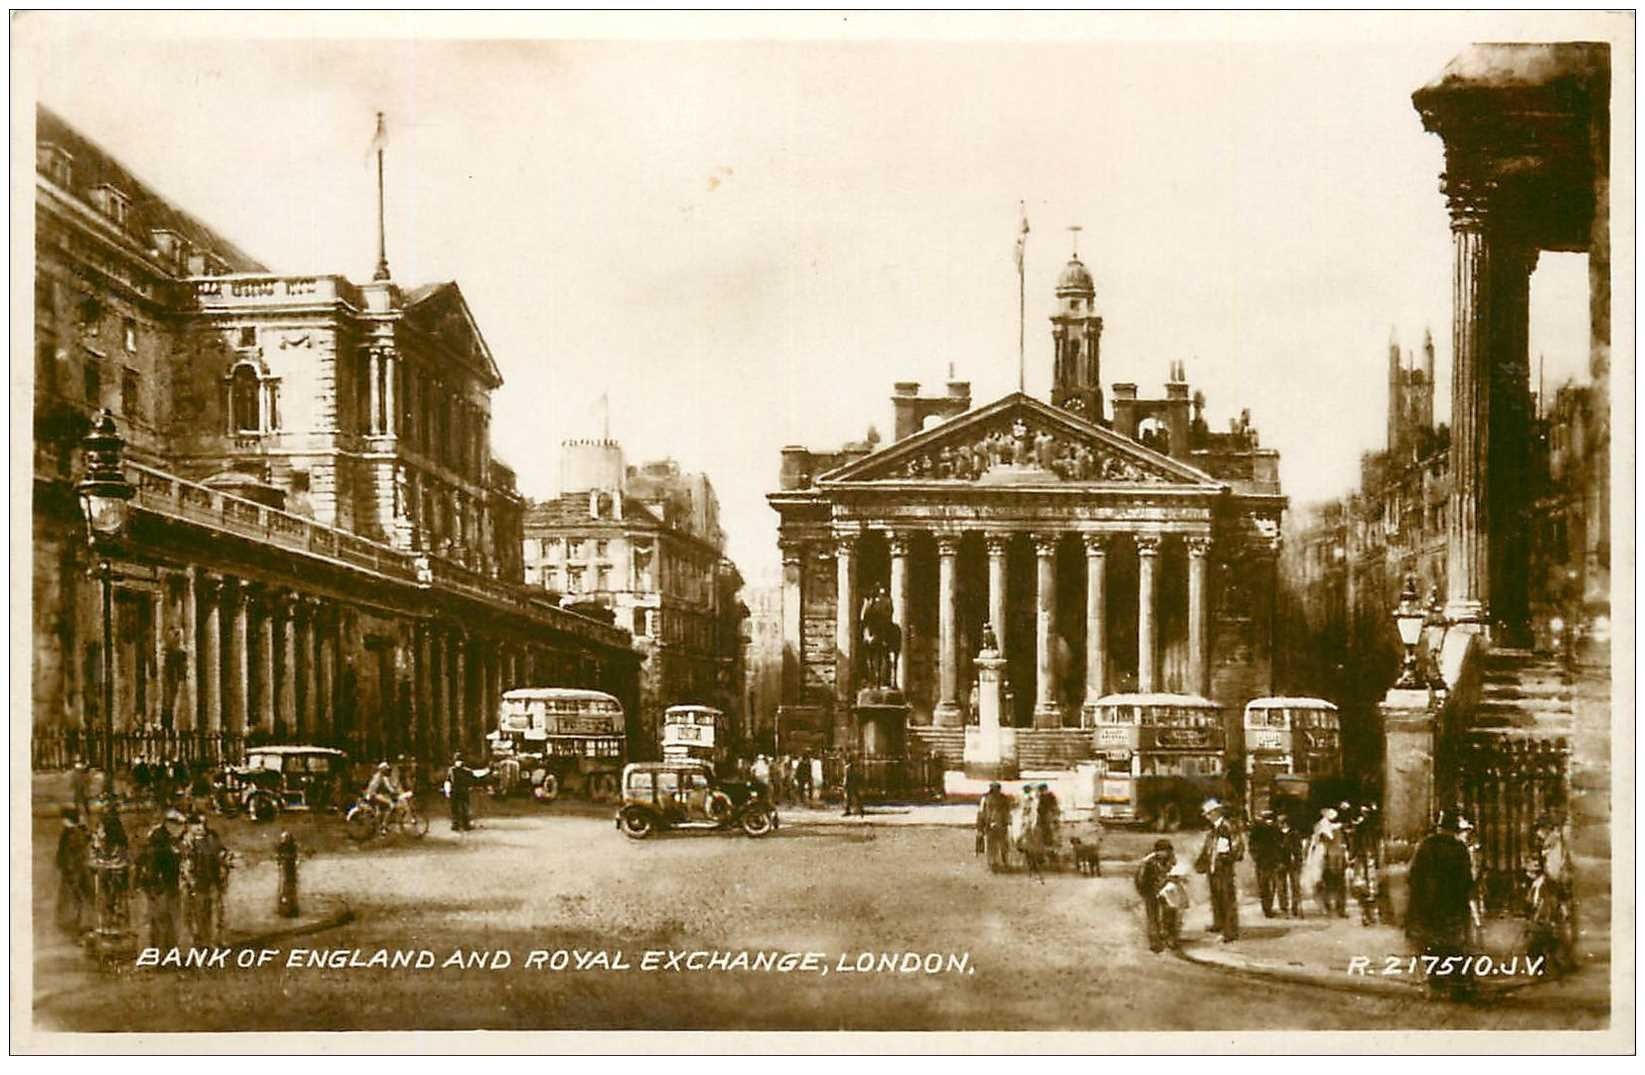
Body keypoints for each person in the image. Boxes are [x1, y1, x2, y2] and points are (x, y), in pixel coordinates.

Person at [1405, 810, 1477, 999]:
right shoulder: (1459, 848)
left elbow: (1413, 876)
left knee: (1431, 942)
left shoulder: (1425, 845)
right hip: (1452, 903)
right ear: (1454, 829)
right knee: (1454, 943)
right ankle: (1458, 984)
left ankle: (1436, 981)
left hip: (1428, 904)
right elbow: (1466, 880)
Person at [136, 812, 183, 951]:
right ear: (170, 824)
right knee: (162, 920)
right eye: (178, 825)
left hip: (161, 886)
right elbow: (154, 867)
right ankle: (164, 952)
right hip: (161, 887)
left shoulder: (163, 839)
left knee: (163, 920)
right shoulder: (161, 843)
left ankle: (164, 951)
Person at [181, 812, 229, 946]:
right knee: (198, 913)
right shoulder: (187, 841)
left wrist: (223, 864)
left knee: (215, 912)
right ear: (190, 826)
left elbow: (221, 853)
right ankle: (200, 941)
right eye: (197, 824)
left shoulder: (212, 838)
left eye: (203, 823)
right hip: (196, 883)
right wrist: (190, 880)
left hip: (213, 880)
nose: (201, 827)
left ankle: (215, 941)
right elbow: (185, 864)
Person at [1196, 798, 1241, 941]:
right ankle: (1219, 923)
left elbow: (1237, 846)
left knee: (1227, 898)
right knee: (1216, 897)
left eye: (1208, 814)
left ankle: (1230, 931)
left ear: (1215, 813)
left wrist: (1228, 857)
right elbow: (1208, 847)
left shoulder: (1227, 827)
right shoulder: (1214, 829)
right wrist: (1201, 862)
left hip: (1224, 868)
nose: (1207, 817)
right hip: (1214, 868)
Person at [1135, 838, 1177, 953]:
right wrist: (1144, 892)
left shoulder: (1172, 860)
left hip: (1166, 890)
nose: (1166, 854)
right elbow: (1140, 879)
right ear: (1157, 851)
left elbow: (1175, 873)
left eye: (1168, 852)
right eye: (1163, 851)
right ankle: (1155, 941)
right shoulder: (1148, 862)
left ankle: (1170, 937)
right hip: (1150, 890)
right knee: (1153, 916)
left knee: (1170, 913)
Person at [55, 806, 91, 935]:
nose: (62, 821)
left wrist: (68, 868)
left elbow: (71, 854)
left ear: (67, 819)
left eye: (64, 819)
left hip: (74, 871)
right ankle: (77, 922)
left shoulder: (73, 834)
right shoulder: (74, 832)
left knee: (76, 896)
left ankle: (78, 924)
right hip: (74, 869)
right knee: (76, 897)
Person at [1312, 807, 1350, 918]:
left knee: (1336, 885)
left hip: (1335, 860)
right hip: (1329, 860)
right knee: (1331, 885)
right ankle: (1332, 907)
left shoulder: (1333, 829)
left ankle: (1336, 907)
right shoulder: (1323, 830)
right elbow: (1318, 845)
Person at [1248, 810, 1283, 917]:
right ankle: (1267, 908)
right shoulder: (1257, 830)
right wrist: (1256, 856)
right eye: (1267, 819)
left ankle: (1268, 907)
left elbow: (1280, 846)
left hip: (1271, 861)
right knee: (1265, 886)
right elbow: (1252, 845)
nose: (1269, 821)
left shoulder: (1276, 830)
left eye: (1271, 819)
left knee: (1269, 886)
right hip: (1262, 862)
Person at [446, 753, 490, 832]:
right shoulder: (455, 770)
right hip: (458, 791)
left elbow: (475, 776)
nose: (458, 762)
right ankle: (459, 824)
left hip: (460, 791)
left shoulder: (458, 770)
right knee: (457, 808)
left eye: (460, 761)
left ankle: (463, 824)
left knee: (463, 808)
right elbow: (448, 780)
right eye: (457, 760)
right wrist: (447, 790)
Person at [975, 781, 1013, 872]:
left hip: (1000, 824)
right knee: (993, 844)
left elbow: (1007, 811)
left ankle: (1002, 861)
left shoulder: (1002, 799)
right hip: (991, 823)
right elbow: (981, 813)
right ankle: (994, 862)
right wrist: (980, 826)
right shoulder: (987, 799)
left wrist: (1007, 821)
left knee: (1001, 844)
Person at [1276, 812, 1306, 918]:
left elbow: (1298, 848)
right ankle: (1284, 907)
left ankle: (1295, 906)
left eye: (1280, 822)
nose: (1279, 824)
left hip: (1293, 862)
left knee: (1295, 885)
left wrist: (1298, 859)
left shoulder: (1294, 833)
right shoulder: (1276, 834)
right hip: (1281, 862)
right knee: (1281, 885)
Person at [1015, 784, 1046, 881]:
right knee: (1029, 848)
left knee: (1032, 848)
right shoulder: (1028, 804)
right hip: (1029, 828)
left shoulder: (1033, 804)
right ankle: (1032, 866)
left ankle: (1034, 865)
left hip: (1032, 828)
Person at [364, 761, 402, 833]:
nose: (387, 771)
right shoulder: (381, 777)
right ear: (382, 770)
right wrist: (394, 792)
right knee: (390, 805)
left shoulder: (377, 775)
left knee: (384, 803)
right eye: (386, 769)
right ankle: (383, 826)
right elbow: (388, 787)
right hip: (373, 795)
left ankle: (381, 822)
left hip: (370, 795)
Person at [1036, 783, 1062, 865]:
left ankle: (1051, 856)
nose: (1040, 792)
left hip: (1048, 819)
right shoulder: (1045, 796)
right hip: (1044, 819)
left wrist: (1054, 817)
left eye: (1041, 791)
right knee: (1046, 838)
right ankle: (1049, 856)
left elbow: (1053, 808)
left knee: (1050, 837)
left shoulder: (1049, 797)